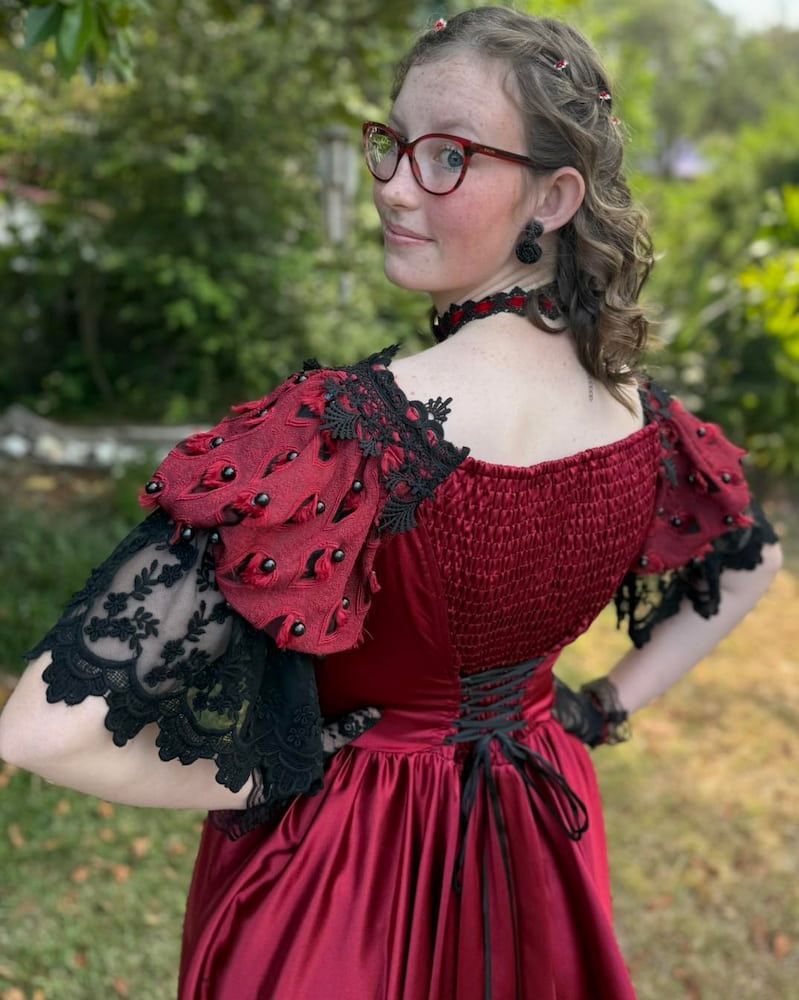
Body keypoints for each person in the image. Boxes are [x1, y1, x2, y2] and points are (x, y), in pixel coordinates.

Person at [0, 6, 783, 999]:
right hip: (532, 851)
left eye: (447, 157)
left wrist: (254, 775)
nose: (396, 187)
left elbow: (36, 729)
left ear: (554, 195)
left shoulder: (345, 437)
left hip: (338, 879)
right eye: (394, 145)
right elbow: (753, 562)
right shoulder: (644, 423)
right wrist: (593, 708)